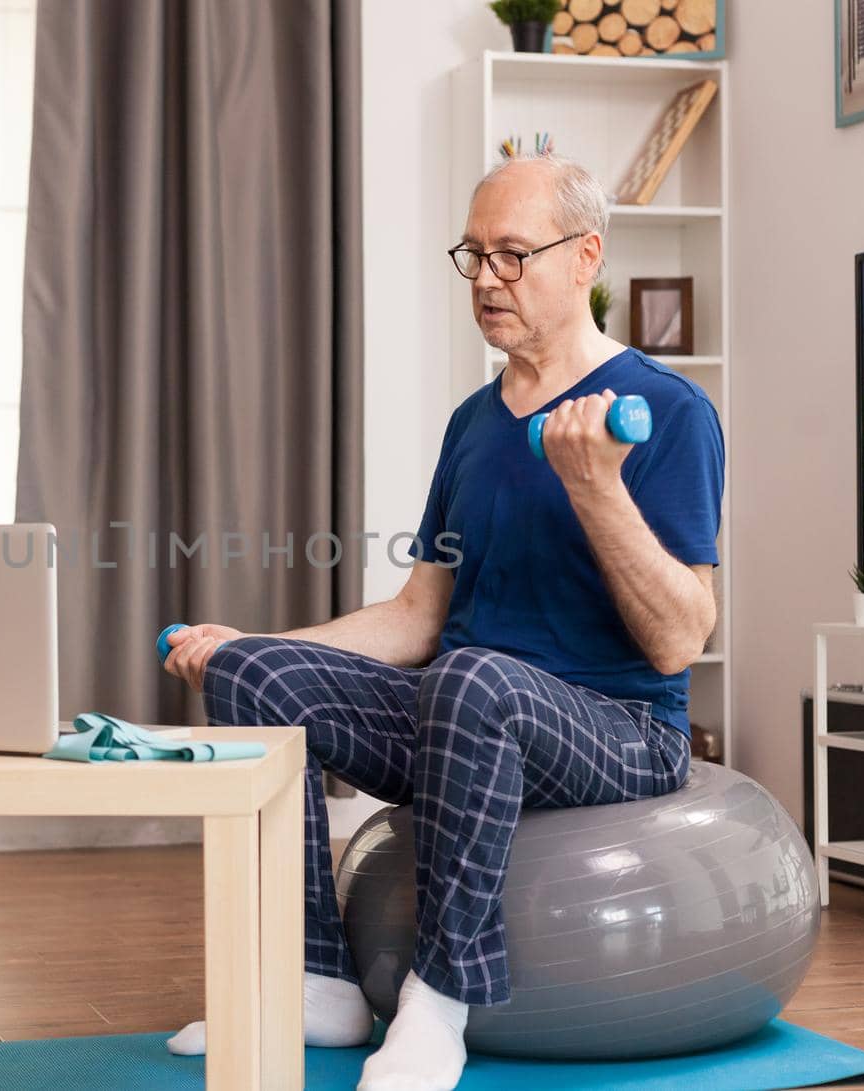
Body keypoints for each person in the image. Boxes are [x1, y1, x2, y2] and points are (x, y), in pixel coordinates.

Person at [162, 152, 724, 1091]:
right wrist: (251, 646)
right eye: (474, 256)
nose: (489, 280)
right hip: (460, 713)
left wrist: (597, 487)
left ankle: (440, 1001)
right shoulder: (474, 423)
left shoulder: (668, 410)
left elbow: (679, 638)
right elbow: (419, 615)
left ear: (586, 257)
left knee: (475, 679)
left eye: (513, 255)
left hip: (619, 727)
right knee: (258, 677)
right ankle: (317, 979)